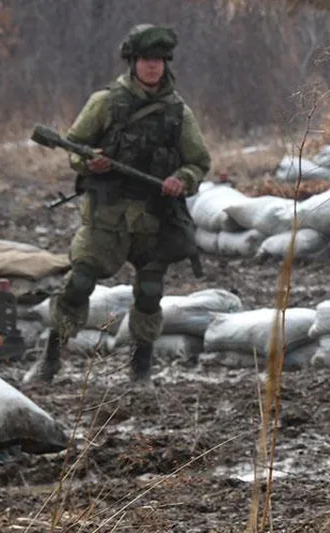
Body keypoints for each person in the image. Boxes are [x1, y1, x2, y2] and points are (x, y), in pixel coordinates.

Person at [29, 24, 211, 384]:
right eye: (146, 59)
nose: (153, 66)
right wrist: (89, 162)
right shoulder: (105, 103)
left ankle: (140, 369)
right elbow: (74, 148)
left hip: (153, 217)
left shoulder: (178, 113)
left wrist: (183, 180)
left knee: (149, 292)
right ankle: (49, 360)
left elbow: (199, 162)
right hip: (107, 214)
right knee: (78, 284)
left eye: (159, 60)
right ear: (132, 62)